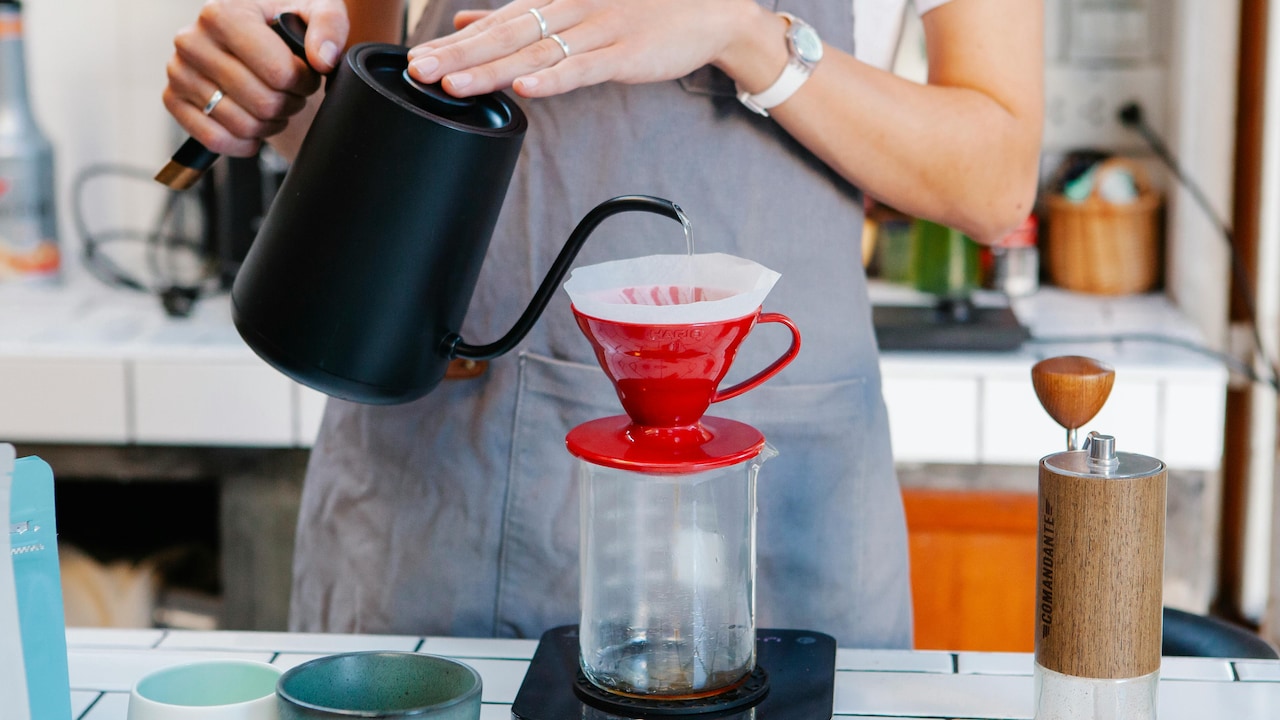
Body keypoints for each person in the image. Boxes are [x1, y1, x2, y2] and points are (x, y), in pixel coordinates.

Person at [163, 0, 1042, 647]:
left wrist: (742, 36)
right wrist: (260, 87)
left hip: (758, 492)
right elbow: (356, 112)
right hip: (440, 489)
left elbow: (994, 179)